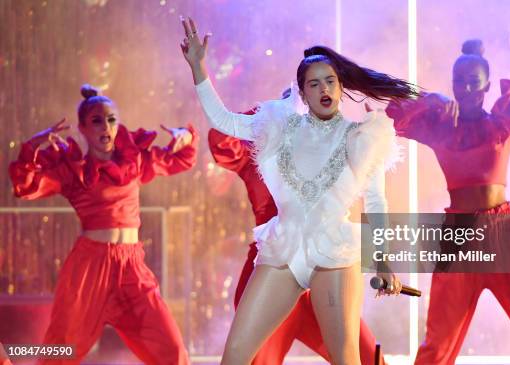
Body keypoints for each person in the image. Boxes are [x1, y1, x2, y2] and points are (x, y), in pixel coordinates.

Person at [180, 16, 417, 365]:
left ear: (339, 88)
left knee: (346, 358)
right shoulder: (279, 128)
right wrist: (199, 68)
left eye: (330, 82)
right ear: (302, 92)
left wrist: (382, 262)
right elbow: (225, 121)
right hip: (284, 251)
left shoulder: (362, 138)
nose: (324, 90)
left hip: (334, 255)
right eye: (314, 84)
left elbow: (376, 201)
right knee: (234, 355)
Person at [387, 39, 510, 364]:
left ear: (488, 86)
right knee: (437, 347)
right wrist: (430, 99)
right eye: (457, 83)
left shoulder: (503, 123)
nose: (465, 89)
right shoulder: (440, 126)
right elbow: (396, 117)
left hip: (504, 235)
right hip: (459, 238)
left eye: (473, 83)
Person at [9, 84, 197, 365]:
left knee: (171, 350)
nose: (105, 127)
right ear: (82, 128)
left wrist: (184, 138)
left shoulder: (135, 162)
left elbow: (179, 159)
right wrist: (33, 145)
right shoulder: (75, 171)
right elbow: (25, 186)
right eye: (96, 120)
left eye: (111, 119)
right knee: (61, 352)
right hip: (89, 268)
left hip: (132, 267)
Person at [208, 97, 384, 365]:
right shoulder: (261, 153)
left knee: (363, 356)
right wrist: (266, 113)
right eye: (295, 101)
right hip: (274, 264)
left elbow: (375, 198)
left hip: (327, 261)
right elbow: (221, 134)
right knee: (250, 357)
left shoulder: (337, 145)